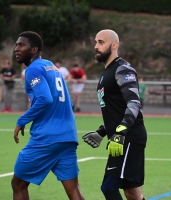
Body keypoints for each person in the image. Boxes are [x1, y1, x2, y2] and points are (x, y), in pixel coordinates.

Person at [12, 31, 84, 200]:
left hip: (47, 137)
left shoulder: (33, 69)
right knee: (74, 190)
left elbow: (45, 98)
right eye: (16, 45)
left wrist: (22, 120)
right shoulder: (51, 67)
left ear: (34, 49)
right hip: (67, 136)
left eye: (21, 45)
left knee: (18, 184)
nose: (16, 49)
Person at [82, 29, 147, 200]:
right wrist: (103, 131)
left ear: (114, 44)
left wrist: (120, 131)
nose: (96, 46)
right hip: (120, 138)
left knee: (109, 187)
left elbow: (133, 103)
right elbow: (118, 109)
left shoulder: (122, 69)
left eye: (101, 42)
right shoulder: (107, 72)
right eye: (95, 42)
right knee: (132, 192)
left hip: (128, 137)